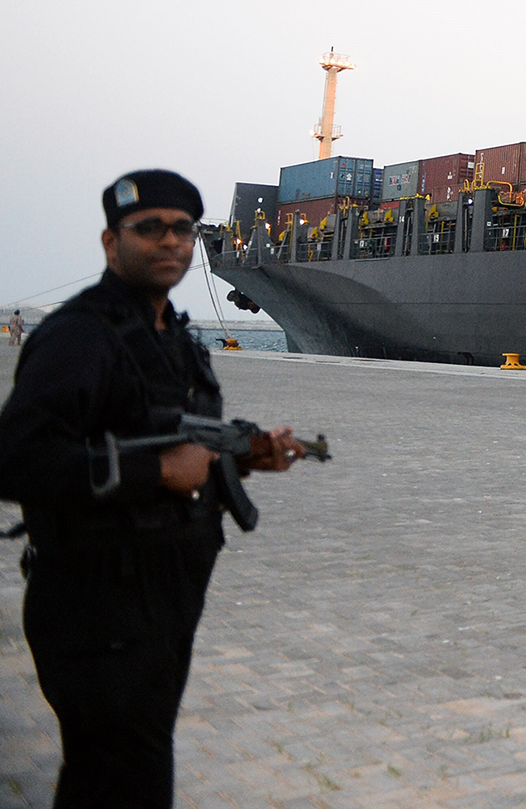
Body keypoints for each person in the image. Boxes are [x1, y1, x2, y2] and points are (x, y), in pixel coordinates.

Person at [0, 170, 308, 807]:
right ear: (112, 243)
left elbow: (175, 440)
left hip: (164, 593)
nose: (170, 242)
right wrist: (156, 472)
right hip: (94, 595)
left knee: (124, 767)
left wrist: (248, 457)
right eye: (149, 229)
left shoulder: (175, 340)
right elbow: (14, 461)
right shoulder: (79, 336)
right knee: (123, 774)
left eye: (182, 230)